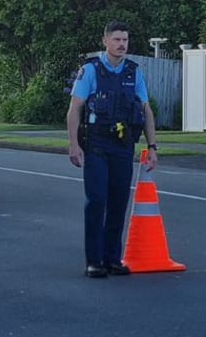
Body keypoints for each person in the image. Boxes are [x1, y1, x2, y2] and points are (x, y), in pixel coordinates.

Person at [66, 20, 159, 278]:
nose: (121, 44)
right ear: (105, 41)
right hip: (96, 144)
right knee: (97, 201)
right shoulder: (91, 70)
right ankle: (93, 260)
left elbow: (145, 110)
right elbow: (75, 108)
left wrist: (152, 146)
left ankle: (112, 259)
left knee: (119, 202)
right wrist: (74, 144)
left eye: (125, 40)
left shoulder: (133, 72)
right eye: (116, 39)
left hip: (123, 145)